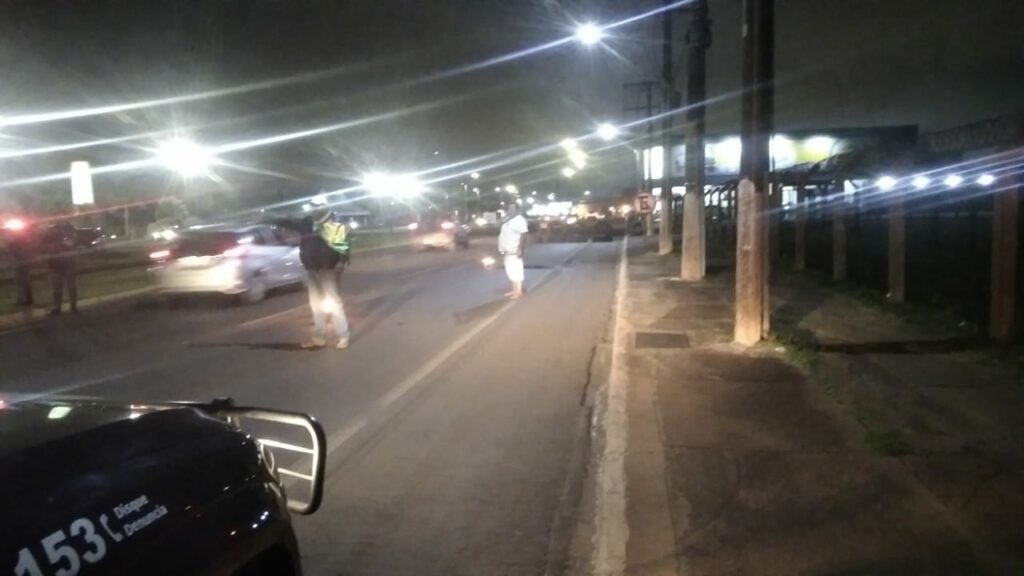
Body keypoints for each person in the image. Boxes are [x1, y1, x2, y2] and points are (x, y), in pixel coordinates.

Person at [276, 203, 351, 349]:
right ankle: (318, 338)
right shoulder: (306, 224)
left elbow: (344, 246)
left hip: (328, 269)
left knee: (334, 304)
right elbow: (290, 223)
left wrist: (342, 261)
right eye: (313, 208)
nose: (314, 211)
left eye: (317, 209)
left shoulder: (333, 225)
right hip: (311, 269)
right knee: (316, 305)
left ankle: (343, 336)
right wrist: (275, 218)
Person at [42, 221, 78, 315]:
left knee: (69, 287)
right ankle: (59, 307)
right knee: (57, 288)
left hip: (66, 263)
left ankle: (71, 306)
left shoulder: (68, 229)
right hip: (57, 264)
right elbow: (45, 247)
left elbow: (71, 243)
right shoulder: (51, 231)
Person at [2, 219, 35, 307]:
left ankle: (26, 299)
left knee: (23, 281)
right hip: (21, 262)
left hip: (22, 262)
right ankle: (25, 298)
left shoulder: (20, 240)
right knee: (22, 281)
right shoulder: (18, 240)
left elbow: (17, 251)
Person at [498, 204, 529, 299]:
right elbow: (497, 224)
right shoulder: (508, 219)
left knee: (517, 271)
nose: (510, 210)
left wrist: (520, 249)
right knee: (510, 271)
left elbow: (524, 235)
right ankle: (514, 290)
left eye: (512, 208)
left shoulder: (520, 220)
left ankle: (518, 292)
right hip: (507, 250)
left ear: (517, 210)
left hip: (514, 250)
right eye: (509, 208)